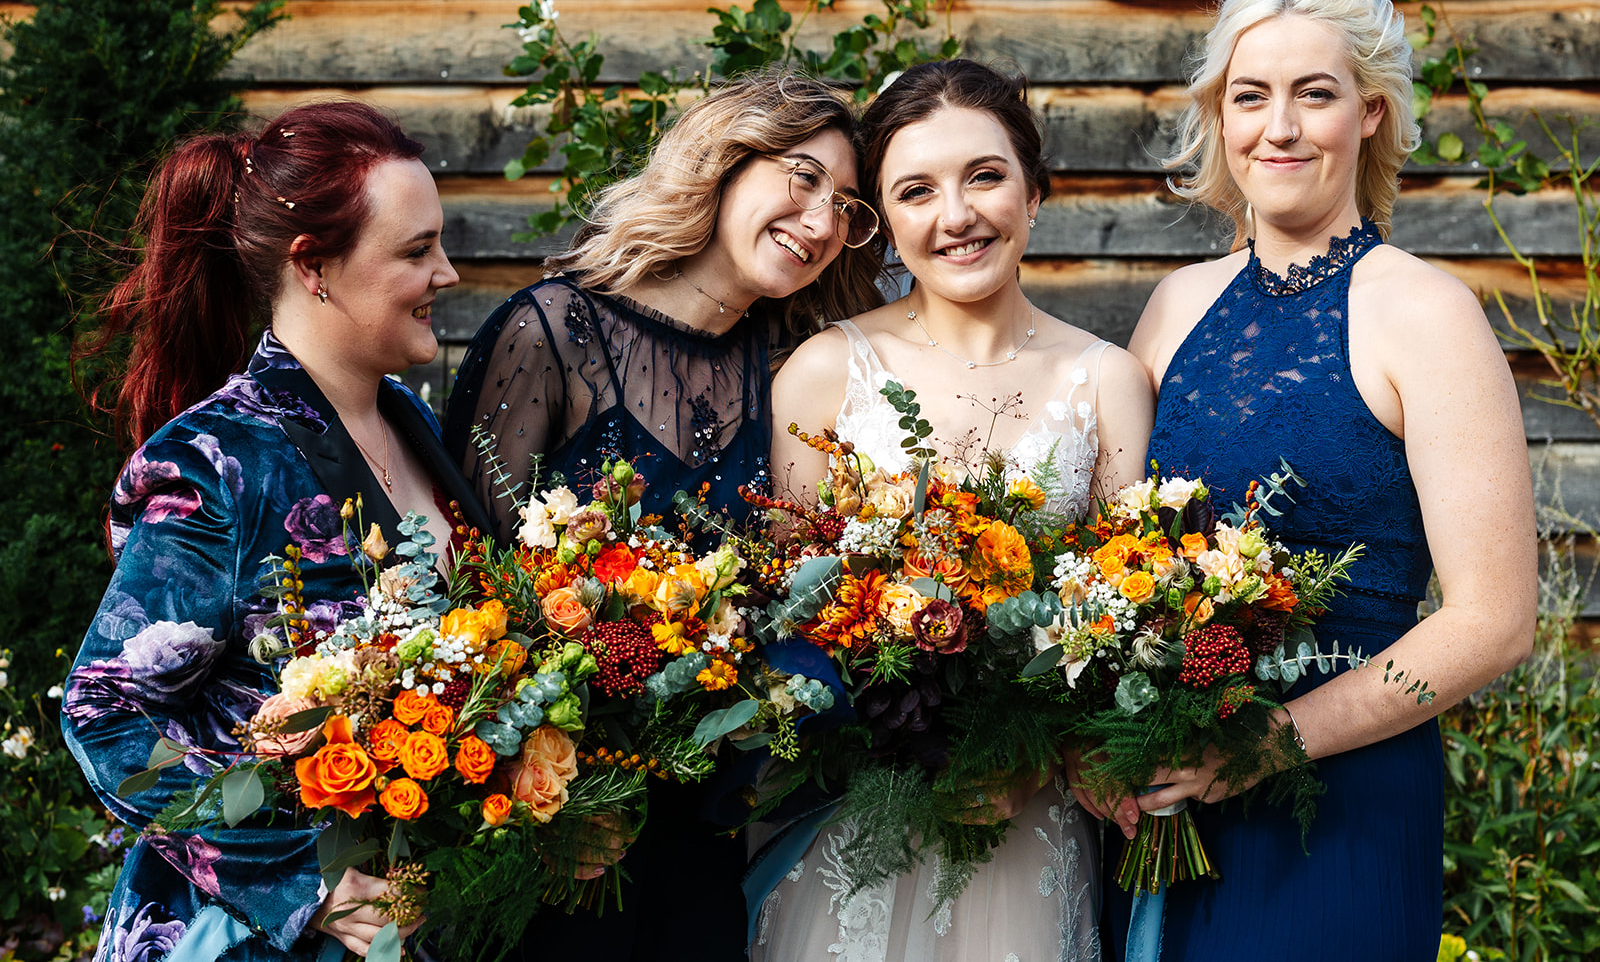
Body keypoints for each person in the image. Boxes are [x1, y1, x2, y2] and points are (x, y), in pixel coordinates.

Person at [1104, 0, 1538, 960]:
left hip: (1341, 798)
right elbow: (1106, 554)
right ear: (1221, 115)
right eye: (1250, 96)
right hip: (1164, 786)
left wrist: (1269, 741)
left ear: (1370, 111)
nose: (1279, 126)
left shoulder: (1425, 313)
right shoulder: (1173, 308)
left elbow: (1494, 621)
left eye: (1314, 93)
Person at [442, 71, 887, 962]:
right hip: (547, 832)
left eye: (847, 208)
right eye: (804, 178)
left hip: (708, 829)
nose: (822, 221)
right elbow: (463, 599)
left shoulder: (801, 370)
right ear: (725, 159)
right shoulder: (552, 333)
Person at [63, 101, 490, 960]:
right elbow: (102, 709)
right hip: (248, 938)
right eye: (416, 250)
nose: (447, 273)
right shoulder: (216, 461)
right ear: (314, 266)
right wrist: (304, 880)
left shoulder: (410, 421)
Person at [751, 58, 1154, 962]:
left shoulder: (1108, 381)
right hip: (859, 823)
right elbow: (788, 622)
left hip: (1029, 823)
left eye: (985, 176)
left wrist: (1040, 745)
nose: (957, 215)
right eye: (917, 190)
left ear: (1035, 193)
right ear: (884, 222)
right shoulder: (827, 371)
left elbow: (1123, 614)